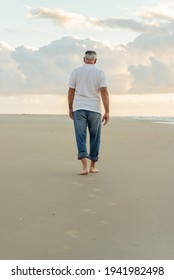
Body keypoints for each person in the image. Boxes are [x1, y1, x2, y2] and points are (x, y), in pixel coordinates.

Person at [68, 50, 109, 175]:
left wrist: (70, 108)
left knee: (81, 137)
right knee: (95, 138)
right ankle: (92, 166)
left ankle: (85, 167)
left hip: (79, 108)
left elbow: (71, 91)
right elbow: (104, 92)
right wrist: (107, 111)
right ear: (95, 60)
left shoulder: (76, 72)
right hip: (95, 109)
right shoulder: (100, 72)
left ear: (83, 59)